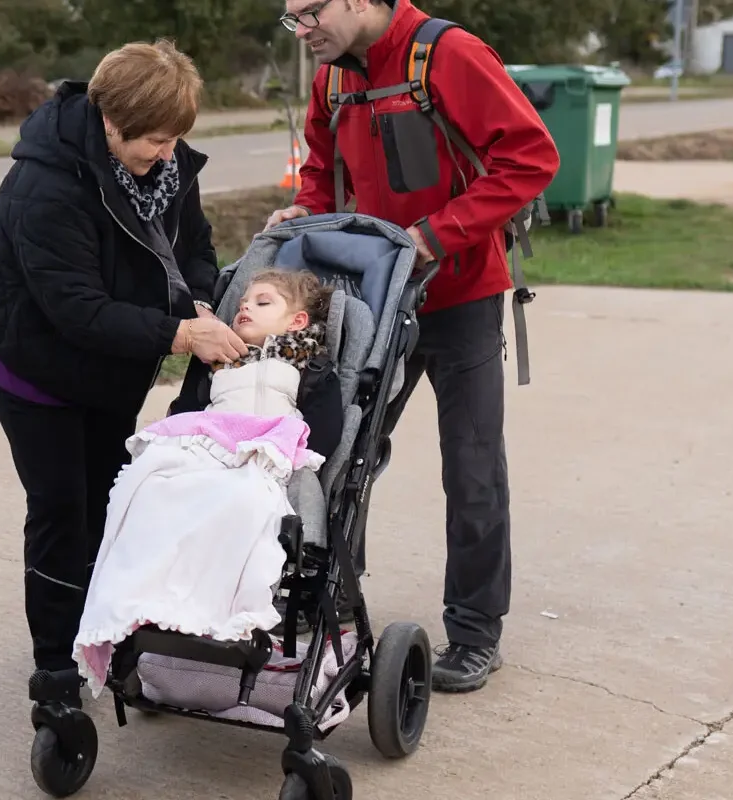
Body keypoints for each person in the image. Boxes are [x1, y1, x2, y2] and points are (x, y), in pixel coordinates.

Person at [265, 0, 560, 692]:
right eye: (291, 20)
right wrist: (304, 211)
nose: (302, 32)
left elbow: (528, 158)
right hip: (369, 302)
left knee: (471, 467)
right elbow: (319, 171)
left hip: (459, 299)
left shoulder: (447, 54)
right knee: (337, 456)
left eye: (309, 14)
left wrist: (435, 235)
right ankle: (329, 604)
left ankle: (474, 631)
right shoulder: (333, 76)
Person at [0, 38, 247, 713]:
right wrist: (177, 333)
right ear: (109, 122)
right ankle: (56, 671)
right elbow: (75, 310)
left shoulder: (167, 165)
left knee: (109, 503)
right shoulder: (45, 185)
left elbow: (195, 247)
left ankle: (106, 631)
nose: (166, 153)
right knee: (63, 507)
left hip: (110, 361)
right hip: (31, 360)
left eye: (176, 138)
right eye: (153, 138)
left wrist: (199, 298)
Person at [73, 269, 336, 690]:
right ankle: (145, 603)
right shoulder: (217, 363)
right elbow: (186, 411)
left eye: (262, 302)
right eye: (242, 303)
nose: (244, 307)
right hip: (207, 449)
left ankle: (218, 612)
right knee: (149, 489)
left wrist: (292, 452)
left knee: (247, 502)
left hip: (261, 457)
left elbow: (326, 430)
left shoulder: (307, 364)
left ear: (297, 322)